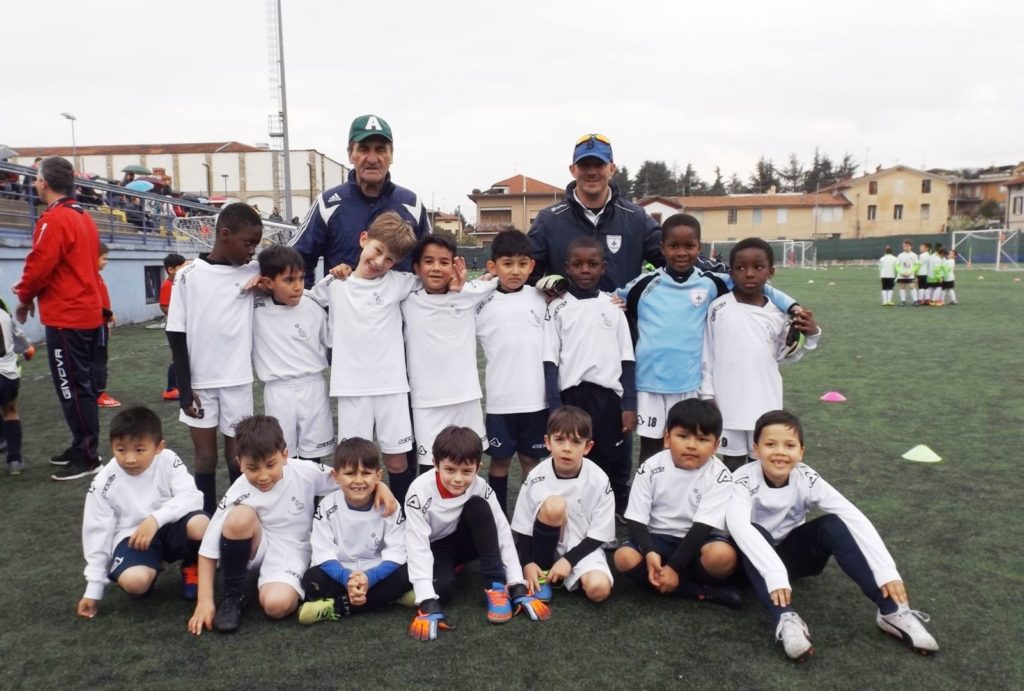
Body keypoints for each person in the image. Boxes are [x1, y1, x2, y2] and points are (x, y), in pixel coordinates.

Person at [727, 410, 939, 660]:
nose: (780, 452)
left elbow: (852, 515)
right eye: (770, 444)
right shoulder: (741, 478)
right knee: (755, 530)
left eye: (790, 445)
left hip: (788, 559)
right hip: (749, 565)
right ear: (755, 449)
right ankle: (785, 618)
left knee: (833, 524)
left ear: (801, 451)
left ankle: (891, 611)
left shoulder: (806, 477)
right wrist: (774, 575)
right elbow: (739, 527)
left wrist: (886, 571)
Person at [186, 415, 397, 635]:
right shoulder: (238, 490)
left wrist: (380, 486)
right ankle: (233, 596)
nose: (263, 475)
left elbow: (345, 478)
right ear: (239, 464)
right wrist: (205, 601)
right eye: (253, 468)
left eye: (270, 465)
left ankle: (279, 583)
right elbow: (208, 548)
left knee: (275, 606)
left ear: (285, 455)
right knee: (239, 517)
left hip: (293, 551)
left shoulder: (303, 471)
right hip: (258, 546)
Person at [618, 214, 798, 465]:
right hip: (649, 384)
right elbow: (611, 300)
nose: (681, 252)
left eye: (689, 246)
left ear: (699, 248)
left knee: (690, 449)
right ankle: (650, 502)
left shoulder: (712, 282)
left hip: (690, 384)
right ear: (662, 248)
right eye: (674, 246)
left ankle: (690, 500)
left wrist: (793, 306)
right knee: (651, 451)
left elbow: (757, 285)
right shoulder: (644, 285)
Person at [307, 211, 420, 503]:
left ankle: (402, 521)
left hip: (392, 388)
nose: (380, 262)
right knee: (354, 465)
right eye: (378, 251)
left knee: (397, 462)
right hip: (351, 389)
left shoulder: (400, 282)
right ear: (364, 239)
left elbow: (438, 281)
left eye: (390, 259)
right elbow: (294, 299)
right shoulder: (335, 284)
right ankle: (357, 519)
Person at [404, 426, 551, 642]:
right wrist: (426, 601)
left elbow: (501, 532)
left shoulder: (480, 487)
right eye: (450, 470)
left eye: (466, 471)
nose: (457, 478)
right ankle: (450, 571)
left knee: (479, 507)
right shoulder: (419, 490)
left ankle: (495, 586)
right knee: (442, 592)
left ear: (478, 467)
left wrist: (517, 585)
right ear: (435, 464)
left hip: (466, 539)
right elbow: (417, 546)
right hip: (436, 546)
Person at [166, 202, 263, 515]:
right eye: (248, 243)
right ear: (224, 235)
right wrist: (184, 387)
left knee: (237, 457)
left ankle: (234, 521)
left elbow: (288, 269)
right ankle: (204, 525)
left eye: (256, 246)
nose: (252, 251)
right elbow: (176, 333)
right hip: (201, 384)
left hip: (237, 381)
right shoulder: (189, 276)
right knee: (205, 457)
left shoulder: (253, 271)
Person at [14, 156, 105, 481]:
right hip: (85, 312)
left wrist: (25, 298)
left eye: (36, 178)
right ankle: (83, 445)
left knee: (72, 387)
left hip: (68, 317)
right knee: (80, 386)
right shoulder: (83, 217)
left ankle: (87, 455)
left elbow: (39, 265)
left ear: (43, 182)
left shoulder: (54, 219)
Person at [77, 406, 208, 619]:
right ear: (111, 447)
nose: (129, 459)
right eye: (121, 449)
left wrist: (156, 519)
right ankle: (148, 568)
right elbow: (96, 532)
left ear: (159, 447)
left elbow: (192, 497)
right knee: (135, 583)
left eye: (139, 450)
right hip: (133, 538)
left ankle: (192, 565)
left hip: (168, 526)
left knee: (201, 524)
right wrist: (93, 589)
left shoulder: (167, 459)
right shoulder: (103, 483)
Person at [700, 238, 820, 471]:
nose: (749, 274)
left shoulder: (777, 314)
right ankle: (733, 508)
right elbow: (707, 352)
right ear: (731, 273)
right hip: (727, 405)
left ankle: (760, 508)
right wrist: (707, 394)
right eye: (741, 268)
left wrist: (811, 334)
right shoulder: (718, 308)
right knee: (731, 467)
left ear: (771, 272)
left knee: (762, 466)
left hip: (764, 404)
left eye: (758, 267)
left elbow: (787, 354)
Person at [613, 399, 740, 607]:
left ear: (716, 445)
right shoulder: (650, 468)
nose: (691, 445)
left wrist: (673, 567)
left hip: (699, 541)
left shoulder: (721, 476)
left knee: (723, 557)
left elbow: (702, 527)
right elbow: (635, 519)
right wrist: (649, 551)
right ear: (666, 438)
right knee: (623, 558)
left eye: (702, 439)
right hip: (658, 539)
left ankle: (675, 579)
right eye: (683, 436)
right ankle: (698, 591)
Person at [543, 236, 636, 517]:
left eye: (592, 264)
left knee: (608, 459)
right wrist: (554, 405)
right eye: (578, 264)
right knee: (572, 457)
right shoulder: (557, 307)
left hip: (607, 398)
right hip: (572, 398)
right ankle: (570, 513)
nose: (585, 270)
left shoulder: (613, 307)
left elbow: (627, 359)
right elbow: (550, 360)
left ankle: (605, 519)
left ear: (603, 267)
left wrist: (629, 404)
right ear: (567, 268)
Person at [293, 114, 431, 287]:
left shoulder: (412, 204)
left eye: (380, 150)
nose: (372, 159)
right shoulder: (327, 203)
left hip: (396, 313)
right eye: (364, 149)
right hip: (344, 312)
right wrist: (310, 305)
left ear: (392, 155)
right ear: (350, 154)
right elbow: (296, 260)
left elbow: (432, 261)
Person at [401, 234, 494, 470]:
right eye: (429, 261)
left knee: (469, 464)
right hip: (426, 402)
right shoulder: (406, 300)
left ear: (454, 267)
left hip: (466, 397)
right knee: (430, 467)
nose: (436, 268)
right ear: (416, 268)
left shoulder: (468, 294)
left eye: (444, 262)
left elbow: (500, 276)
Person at [475, 229, 550, 513]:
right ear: (493, 267)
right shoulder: (480, 302)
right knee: (500, 461)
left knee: (532, 461)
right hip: (500, 401)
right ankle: (498, 518)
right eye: (507, 264)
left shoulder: (543, 297)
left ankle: (535, 516)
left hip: (535, 400)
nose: (515, 271)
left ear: (532, 266)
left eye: (522, 263)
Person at [297, 437, 411, 624]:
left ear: (378, 475)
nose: (358, 481)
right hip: (341, 572)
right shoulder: (327, 506)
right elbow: (323, 551)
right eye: (350, 473)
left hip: (377, 570)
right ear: (336, 476)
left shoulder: (389, 505)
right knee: (311, 580)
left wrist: (370, 578)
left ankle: (337, 606)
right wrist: (347, 578)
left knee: (411, 571)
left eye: (366, 473)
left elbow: (398, 551)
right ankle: (389, 597)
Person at [528, 134, 662, 291]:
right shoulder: (548, 220)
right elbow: (525, 273)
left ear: (612, 168)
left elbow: (677, 259)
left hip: (621, 315)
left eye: (599, 164)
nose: (592, 172)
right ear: (573, 170)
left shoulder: (636, 217)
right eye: (584, 165)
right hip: (567, 315)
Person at [511, 406, 615, 604]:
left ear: (587, 447)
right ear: (547, 442)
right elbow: (522, 525)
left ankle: (563, 573)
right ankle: (543, 573)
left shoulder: (599, 479)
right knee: (555, 505)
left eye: (576, 442)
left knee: (599, 590)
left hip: (583, 546)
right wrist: (528, 562)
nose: (567, 448)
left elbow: (600, 534)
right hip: (543, 546)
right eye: (559, 440)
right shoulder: (536, 476)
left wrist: (569, 560)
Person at [253, 245, 335, 461]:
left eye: (301, 278)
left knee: (314, 458)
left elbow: (330, 340)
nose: (298, 286)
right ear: (268, 282)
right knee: (283, 458)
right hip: (278, 392)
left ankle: (312, 496)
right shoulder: (253, 305)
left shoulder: (312, 304)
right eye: (289, 280)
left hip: (314, 388)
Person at [0, 297, 33, 475]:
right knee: (10, 411)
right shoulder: (4, 314)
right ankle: (15, 461)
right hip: (7, 374)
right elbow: (25, 347)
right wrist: (27, 351)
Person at [95, 243, 121, 408]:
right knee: (99, 359)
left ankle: (96, 391)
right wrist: (108, 314)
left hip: (100, 324)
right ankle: (99, 393)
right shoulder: (90, 276)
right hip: (96, 324)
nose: (106, 262)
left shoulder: (96, 276)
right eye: (104, 258)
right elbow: (93, 302)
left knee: (99, 358)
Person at [158, 253, 187, 399]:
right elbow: (163, 306)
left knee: (184, 356)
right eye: (181, 267)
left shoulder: (178, 284)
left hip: (180, 326)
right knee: (178, 357)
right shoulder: (168, 285)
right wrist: (176, 315)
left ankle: (180, 385)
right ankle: (170, 389)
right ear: (171, 270)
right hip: (174, 328)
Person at [895, 240, 918, 306]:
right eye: (904, 246)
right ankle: (903, 301)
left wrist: (910, 272)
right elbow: (897, 265)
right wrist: (901, 272)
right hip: (901, 275)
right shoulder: (900, 255)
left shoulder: (914, 255)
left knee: (912, 286)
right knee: (902, 286)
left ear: (911, 246)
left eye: (907, 246)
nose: (905, 247)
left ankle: (915, 301)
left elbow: (916, 265)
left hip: (910, 275)